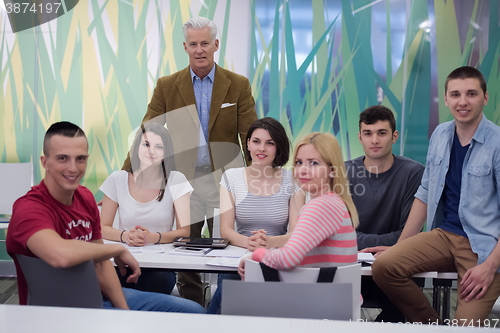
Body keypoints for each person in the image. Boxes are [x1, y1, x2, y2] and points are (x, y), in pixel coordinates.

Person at [122, 16, 258, 304]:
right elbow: (147, 132)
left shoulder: (238, 84)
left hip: (226, 182)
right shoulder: (168, 85)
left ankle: (224, 307)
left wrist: (260, 179)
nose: (199, 49)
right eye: (193, 44)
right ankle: (194, 309)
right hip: (184, 181)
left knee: (231, 247)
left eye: (205, 43)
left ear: (216, 45)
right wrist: (126, 175)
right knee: (185, 250)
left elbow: (251, 136)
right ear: (185, 47)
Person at [6, 121, 204, 313]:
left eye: (80, 159)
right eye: (62, 158)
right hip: (62, 309)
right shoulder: (28, 208)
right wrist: (117, 246)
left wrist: (124, 313)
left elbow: (101, 264)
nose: (73, 168)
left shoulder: (84, 198)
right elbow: (61, 256)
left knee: (194, 311)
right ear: (45, 162)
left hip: (100, 294)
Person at [371, 66, 500, 325]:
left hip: (484, 245)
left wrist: (489, 268)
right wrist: (401, 245)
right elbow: (426, 192)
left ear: (485, 97)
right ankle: (434, 326)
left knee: (466, 327)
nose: (462, 102)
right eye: (455, 94)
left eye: (471, 94)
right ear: (445, 98)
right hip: (443, 235)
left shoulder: (497, 143)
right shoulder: (440, 134)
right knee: (384, 267)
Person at [207, 117, 305, 314]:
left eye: (270, 143)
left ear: (279, 147)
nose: (262, 148)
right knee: (228, 293)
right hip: (239, 256)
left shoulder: (293, 180)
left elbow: (296, 234)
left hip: (279, 258)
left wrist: (269, 242)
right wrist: (250, 243)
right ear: (248, 144)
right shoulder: (231, 177)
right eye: (256, 141)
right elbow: (225, 230)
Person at [239, 132, 358, 276]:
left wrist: (257, 254)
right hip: (332, 295)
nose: (302, 170)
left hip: (321, 297)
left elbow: (288, 259)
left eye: (313, 163)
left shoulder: (320, 206)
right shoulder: (333, 202)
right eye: (299, 162)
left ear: (332, 171)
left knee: (227, 293)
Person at [345, 105, 424, 322]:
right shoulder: (344, 172)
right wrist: (376, 245)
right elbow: (338, 232)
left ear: (394, 136)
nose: (374, 140)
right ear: (360, 137)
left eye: (382, 133)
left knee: (399, 313)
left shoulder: (413, 172)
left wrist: (361, 241)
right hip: (351, 267)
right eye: (368, 134)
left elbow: (411, 233)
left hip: (395, 267)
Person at [100, 123, 191, 294]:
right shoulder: (117, 179)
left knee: (158, 282)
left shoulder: (177, 180)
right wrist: (125, 236)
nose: (151, 151)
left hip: (160, 266)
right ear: (136, 148)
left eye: (159, 147)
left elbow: (184, 231)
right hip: (122, 261)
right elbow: (102, 227)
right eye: (146, 144)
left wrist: (152, 237)